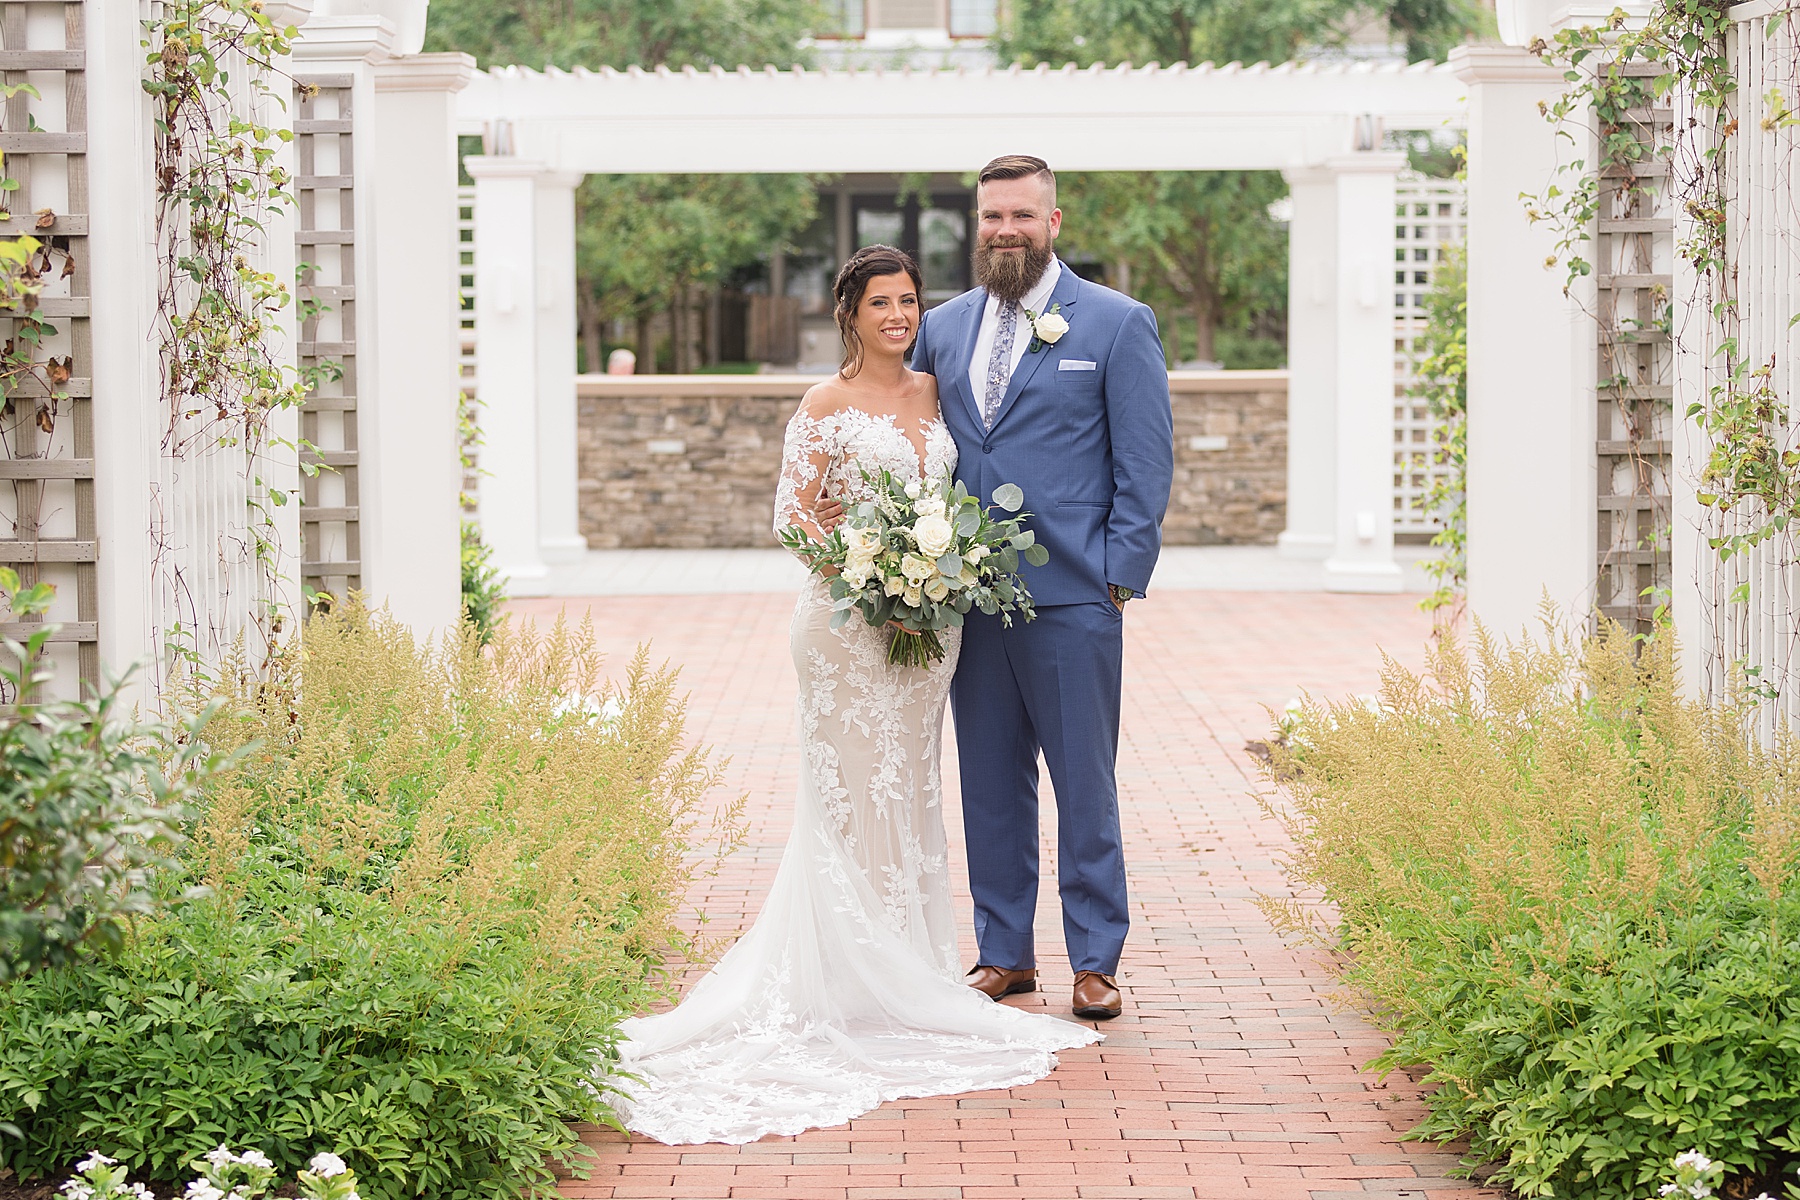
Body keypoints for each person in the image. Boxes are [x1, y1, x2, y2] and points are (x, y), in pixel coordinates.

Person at [609, 244, 1098, 1148]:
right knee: (846, 795)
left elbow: (956, 497)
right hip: (845, 627)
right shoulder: (823, 404)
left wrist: (929, 587)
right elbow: (793, 517)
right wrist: (873, 586)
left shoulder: (936, 395)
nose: (899, 316)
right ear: (850, 314)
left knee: (907, 788)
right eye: (881, 303)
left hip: (931, 626)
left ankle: (906, 968)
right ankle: (840, 976)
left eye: (909, 301)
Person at [819, 155, 1174, 1020]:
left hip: (1074, 600)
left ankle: (1097, 960)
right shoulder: (941, 326)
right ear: (974, 226)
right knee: (988, 782)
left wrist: (1117, 582)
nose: (1003, 231)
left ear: (1054, 222)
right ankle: (1005, 953)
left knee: (1084, 783)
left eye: (1020, 215)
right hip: (964, 603)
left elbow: (1146, 464)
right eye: (989, 218)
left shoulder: (1116, 325)